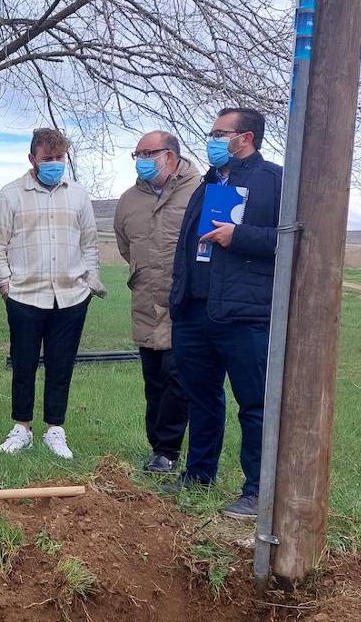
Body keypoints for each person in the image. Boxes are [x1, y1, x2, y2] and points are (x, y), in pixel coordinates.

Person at [167, 107, 282, 520]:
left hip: (244, 316)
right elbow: (188, 246)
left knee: (253, 403)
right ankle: (199, 474)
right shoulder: (209, 183)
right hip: (196, 313)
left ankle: (256, 490)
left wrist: (241, 236)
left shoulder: (274, 182)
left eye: (220, 133)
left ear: (245, 137)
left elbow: (292, 240)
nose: (213, 139)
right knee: (202, 398)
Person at [0, 128, 106, 460]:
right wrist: (4, 284)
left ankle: (55, 429)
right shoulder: (10, 195)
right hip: (25, 294)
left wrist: (88, 281)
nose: (54, 164)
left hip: (70, 296)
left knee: (61, 364)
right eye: (47, 159)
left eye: (59, 158)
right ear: (32, 159)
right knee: (23, 364)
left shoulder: (79, 196)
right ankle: (22, 427)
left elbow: (90, 245)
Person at [114, 131, 199, 475]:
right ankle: (158, 448)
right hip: (146, 301)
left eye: (150, 153)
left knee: (178, 378)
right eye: (138, 154)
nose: (143, 160)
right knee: (155, 380)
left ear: (172, 154)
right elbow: (125, 246)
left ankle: (168, 450)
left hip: (187, 304)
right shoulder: (128, 200)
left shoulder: (200, 190)